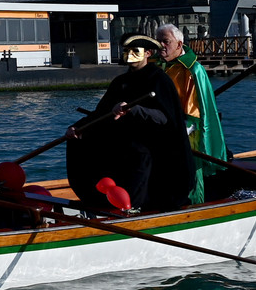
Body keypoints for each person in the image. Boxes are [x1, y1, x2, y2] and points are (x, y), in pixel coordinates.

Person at [66, 35, 194, 214]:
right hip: (122, 143)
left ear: (148, 53)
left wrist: (133, 109)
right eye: (126, 51)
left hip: (152, 147)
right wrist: (79, 128)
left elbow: (164, 118)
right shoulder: (120, 82)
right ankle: (107, 204)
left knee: (139, 155)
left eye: (135, 51)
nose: (129, 55)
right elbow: (101, 113)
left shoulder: (159, 80)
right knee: (86, 146)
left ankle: (135, 208)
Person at [155, 24, 225, 205]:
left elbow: (195, 112)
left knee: (190, 171)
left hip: (187, 132)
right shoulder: (156, 67)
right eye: (159, 41)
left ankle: (194, 206)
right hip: (158, 129)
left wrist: (178, 131)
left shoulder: (193, 70)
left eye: (166, 41)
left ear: (179, 44)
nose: (161, 45)